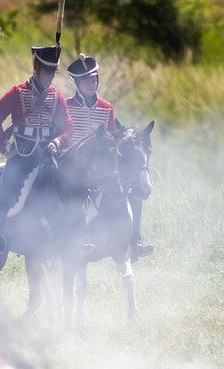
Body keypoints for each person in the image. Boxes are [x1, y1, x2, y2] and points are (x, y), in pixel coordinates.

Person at [0, 44, 73, 255]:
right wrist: (5, 149)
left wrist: (58, 142)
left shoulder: (56, 97)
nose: (51, 77)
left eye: (53, 72)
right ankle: (1, 234)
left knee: (68, 185)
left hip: (47, 156)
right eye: (47, 71)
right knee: (7, 184)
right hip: (21, 154)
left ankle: (72, 232)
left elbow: (68, 127)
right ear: (37, 69)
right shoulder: (17, 93)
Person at [66, 53, 154, 260]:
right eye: (86, 80)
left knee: (130, 190)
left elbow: (113, 139)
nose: (91, 84)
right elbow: (61, 135)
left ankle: (134, 239)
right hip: (73, 168)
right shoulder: (67, 106)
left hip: (100, 170)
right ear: (77, 84)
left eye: (93, 79)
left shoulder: (107, 108)